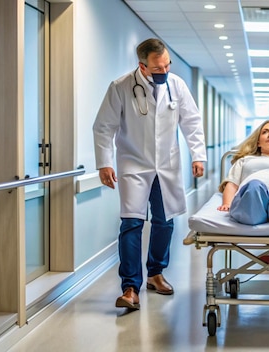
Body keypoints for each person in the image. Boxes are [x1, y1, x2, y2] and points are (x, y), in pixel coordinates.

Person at [93, 38, 206, 310]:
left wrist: (198, 154)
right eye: (158, 68)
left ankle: (156, 274)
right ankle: (130, 287)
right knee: (131, 223)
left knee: (164, 222)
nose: (164, 71)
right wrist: (104, 163)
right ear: (142, 67)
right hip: (133, 163)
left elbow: (191, 121)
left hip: (166, 164)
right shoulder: (120, 87)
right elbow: (103, 127)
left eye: (167, 65)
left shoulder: (176, 85)